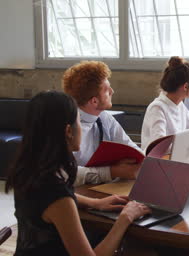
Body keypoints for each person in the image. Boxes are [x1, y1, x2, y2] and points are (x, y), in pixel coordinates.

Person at [5, 91, 150, 255]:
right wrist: (125, 218)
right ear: (68, 131)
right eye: (79, 121)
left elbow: (53, 203)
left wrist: (94, 203)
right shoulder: (58, 196)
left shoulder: (28, 170)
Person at [62, 61, 141, 186]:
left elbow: (131, 148)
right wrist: (112, 171)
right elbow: (65, 173)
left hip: (104, 187)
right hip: (77, 192)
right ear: (94, 101)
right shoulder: (69, 128)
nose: (112, 91)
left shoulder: (104, 117)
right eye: (107, 90)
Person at [141, 56, 189, 153]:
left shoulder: (180, 106)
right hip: (159, 163)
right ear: (185, 86)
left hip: (177, 160)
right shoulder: (157, 108)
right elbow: (159, 148)